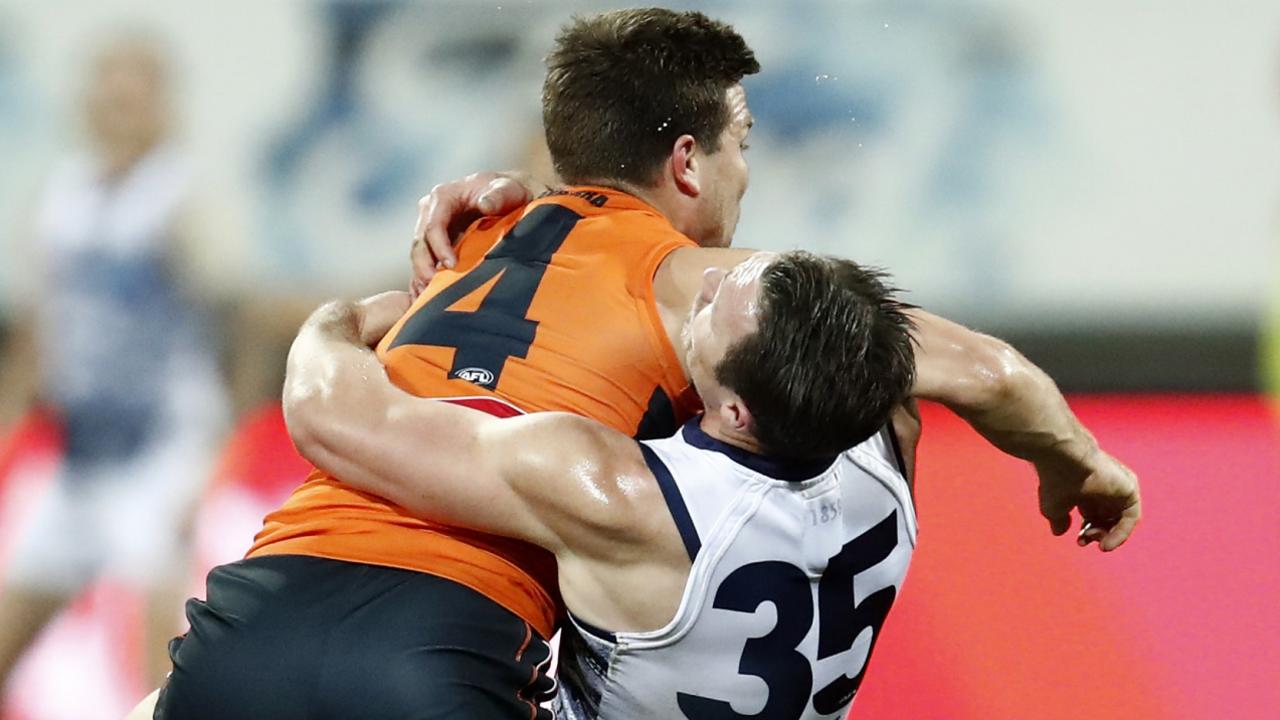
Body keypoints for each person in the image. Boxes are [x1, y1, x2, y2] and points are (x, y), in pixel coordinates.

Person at [139, 9, 1139, 719]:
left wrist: (339, 319)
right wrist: (1079, 467)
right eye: (742, 141)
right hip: (448, 643)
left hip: (261, 602)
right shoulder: (717, 301)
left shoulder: (472, 241)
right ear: (689, 162)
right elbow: (996, 374)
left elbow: (337, 410)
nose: (749, 172)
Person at [283, 251, 923, 720]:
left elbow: (335, 417)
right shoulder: (892, 443)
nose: (702, 282)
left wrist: (340, 320)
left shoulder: (621, 494)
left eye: (713, 310)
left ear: (737, 413)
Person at [0, 34, 232, 697]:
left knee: (156, 659)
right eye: (108, 92)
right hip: (80, 455)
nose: (117, 108)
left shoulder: (181, 198)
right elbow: (41, 333)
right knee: (11, 623)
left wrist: (219, 447)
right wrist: (13, 421)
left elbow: (228, 328)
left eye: (133, 94)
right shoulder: (58, 198)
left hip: (160, 449)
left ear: (163, 104)